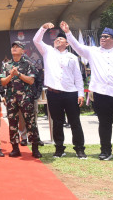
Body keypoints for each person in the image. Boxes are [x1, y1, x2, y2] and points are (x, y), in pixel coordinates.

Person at [60, 22, 113, 161]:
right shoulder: (93, 51)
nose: (103, 38)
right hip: (101, 94)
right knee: (104, 124)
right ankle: (105, 151)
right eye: (102, 36)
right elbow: (77, 47)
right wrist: (68, 32)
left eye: (106, 36)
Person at [33, 23, 86, 159]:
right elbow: (36, 40)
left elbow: (78, 77)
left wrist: (81, 94)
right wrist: (43, 28)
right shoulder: (48, 51)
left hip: (70, 93)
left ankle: (79, 149)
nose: (58, 40)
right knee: (57, 122)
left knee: (75, 122)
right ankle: (59, 148)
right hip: (54, 93)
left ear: (67, 44)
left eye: (61, 39)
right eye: (56, 39)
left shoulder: (73, 58)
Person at [1, 41, 42, 158]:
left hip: (25, 98)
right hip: (11, 99)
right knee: (12, 124)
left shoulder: (28, 64)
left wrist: (18, 74)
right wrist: (11, 75)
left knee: (30, 123)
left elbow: (31, 80)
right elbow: (3, 82)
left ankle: (35, 148)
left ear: (23, 51)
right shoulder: (6, 65)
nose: (14, 48)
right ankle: (15, 148)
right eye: (13, 47)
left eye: (17, 47)